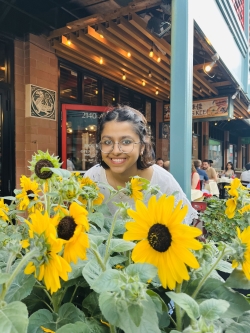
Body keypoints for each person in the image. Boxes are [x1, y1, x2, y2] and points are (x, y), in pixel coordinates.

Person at [84, 105, 197, 224]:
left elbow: (183, 227)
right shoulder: (92, 178)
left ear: (142, 146)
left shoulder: (162, 183)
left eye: (126, 142)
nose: (116, 151)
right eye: (107, 142)